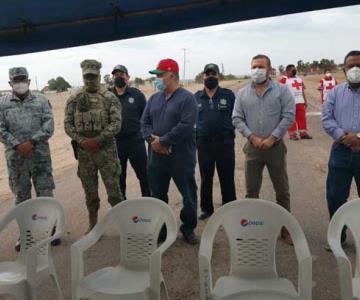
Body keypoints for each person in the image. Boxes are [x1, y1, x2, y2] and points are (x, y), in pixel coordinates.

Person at [232, 54, 295, 245]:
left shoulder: (282, 91)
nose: (256, 70)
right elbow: (237, 118)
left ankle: (286, 230)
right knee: (251, 192)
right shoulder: (243, 93)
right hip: (253, 149)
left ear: (269, 69)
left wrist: (272, 137)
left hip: (275, 147)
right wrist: (252, 137)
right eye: (253, 67)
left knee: (282, 190)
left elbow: (289, 116)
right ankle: (252, 230)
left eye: (260, 66)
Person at [0, 67, 60, 250]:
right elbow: (1, 129)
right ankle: (25, 234)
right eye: (16, 80)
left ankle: (51, 230)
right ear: (10, 83)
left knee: (45, 193)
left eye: (22, 79)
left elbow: (49, 126)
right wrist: (18, 145)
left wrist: (31, 142)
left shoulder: (41, 100)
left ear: (28, 80)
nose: (20, 83)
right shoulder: (2, 104)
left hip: (39, 156)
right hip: (16, 159)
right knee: (22, 197)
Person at [141, 58, 198, 244]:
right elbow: (144, 122)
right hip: (157, 159)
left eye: (159, 75)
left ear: (171, 75)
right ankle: (162, 229)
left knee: (188, 195)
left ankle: (188, 228)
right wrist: (153, 141)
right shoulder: (153, 99)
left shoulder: (187, 98)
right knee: (157, 195)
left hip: (181, 158)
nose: (156, 79)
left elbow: (186, 125)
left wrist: (164, 141)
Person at [64, 59, 124, 233]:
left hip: (106, 152)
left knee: (114, 192)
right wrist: (82, 141)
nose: (89, 80)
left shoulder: (109, 98)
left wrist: (97, 140)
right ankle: (93, 226)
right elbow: (68, 124)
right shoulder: (74, 99)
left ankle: (123, 225)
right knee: (90, 193)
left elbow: (116, 124)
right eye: (86, 77)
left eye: (93, 76)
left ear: (98, 76)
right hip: (85, 154)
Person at [322, 50, 360, 250]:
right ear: (344, 70)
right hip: (341, 151)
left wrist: (358, 137)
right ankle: (338, 236)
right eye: (351, 65)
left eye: (359, 65)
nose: (355, 69)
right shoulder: (335, 93)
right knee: (335, 196)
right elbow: (326, 118)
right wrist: (343, 136)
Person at [194, 63, 236, 220]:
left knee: (227, 177)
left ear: (218, 76)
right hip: (204, 144)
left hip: (225, 143)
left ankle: (229, 208)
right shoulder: (196, 97)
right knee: (206, 177)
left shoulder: (228, 95)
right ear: (203, 77)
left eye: (213, 74)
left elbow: (237, 116)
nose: (210, 77)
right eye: (207, 74)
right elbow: (192, 121)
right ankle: (206, 209)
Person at [110, 64, 150, 199]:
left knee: (144, 176)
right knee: (119, 178)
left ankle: (148, 203)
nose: (118, 77)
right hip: (116, 144)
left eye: (121, 75)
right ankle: (122, 207)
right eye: (116, 75)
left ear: (128, 77)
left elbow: (146, 118)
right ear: (112, 77)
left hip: (136, 142)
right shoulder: (107, 96)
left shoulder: (137, 95)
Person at [279, 65, 312, 140]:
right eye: (292, 70)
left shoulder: (299, 79)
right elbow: (279, 92)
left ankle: (303, 133)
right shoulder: (284, 80)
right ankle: (292, 134)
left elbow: (302, 90)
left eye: (294, 69)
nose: (294, 71)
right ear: (287, 71)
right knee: (291, 119)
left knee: (302, 118)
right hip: (289, 103)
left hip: (300, 102)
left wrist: (305, 101)